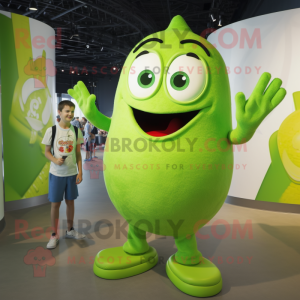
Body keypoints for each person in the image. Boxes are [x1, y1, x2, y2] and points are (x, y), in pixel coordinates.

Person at [42, 100, 86, 249]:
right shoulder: (52, 131)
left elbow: (78, 153)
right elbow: (46, 152)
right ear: (59, 112)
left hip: (72, 173)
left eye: (72, 111)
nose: (70, 114)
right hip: (56, 174)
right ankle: (54, 235)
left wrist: (80, 171)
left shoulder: (76, 130)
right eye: (67, 111)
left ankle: (70, 230)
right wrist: (55, 160)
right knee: (55, 204)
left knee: (70, 202)